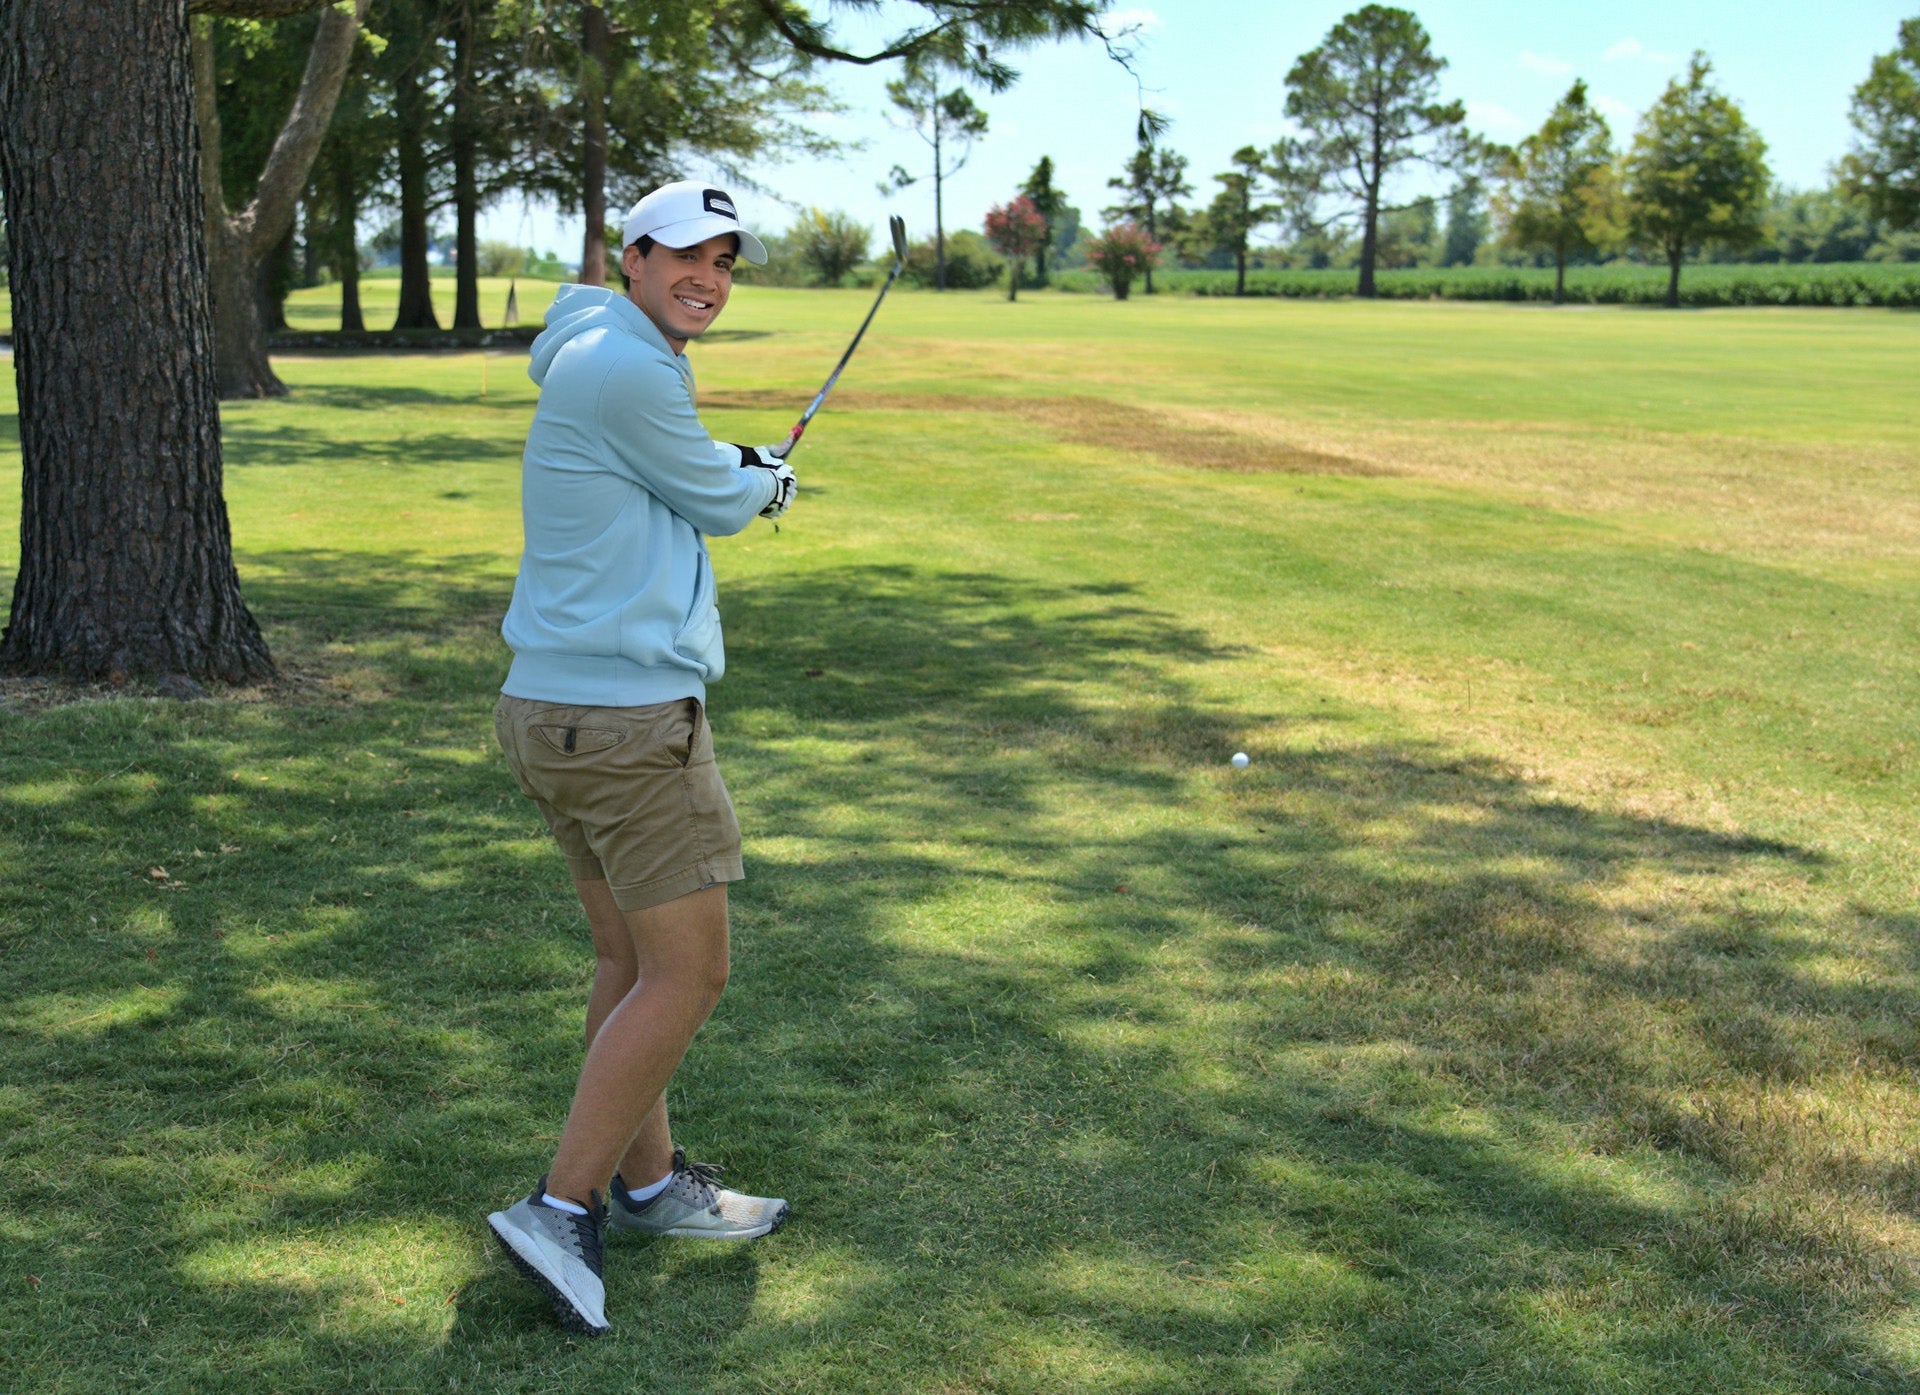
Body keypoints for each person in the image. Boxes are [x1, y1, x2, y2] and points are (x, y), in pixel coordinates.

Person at [485, 180, 798, 1337]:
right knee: (688, 972)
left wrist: (736, 469)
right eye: (685, 256)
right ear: (631, 255)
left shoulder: (604, 346)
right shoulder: (628, 366)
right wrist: (766, 479)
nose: (707, 278)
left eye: (725, 261)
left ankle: (653, 1186)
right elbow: (717, 499)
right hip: (622, 726)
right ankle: (560, 1208)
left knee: (627, 960)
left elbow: (682, 475)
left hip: (560, 710)